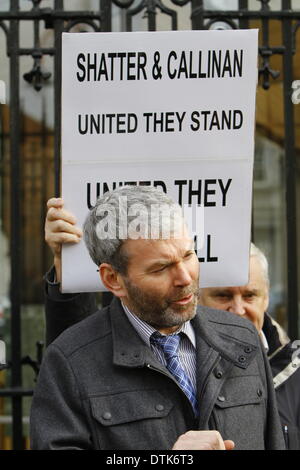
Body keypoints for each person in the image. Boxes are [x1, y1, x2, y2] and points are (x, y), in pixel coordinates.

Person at [31, 187, 284, 450]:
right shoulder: (70, 361)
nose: (185, 277)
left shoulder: (242, 336)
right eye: (161, 268)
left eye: (188, 255)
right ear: (113, 279)